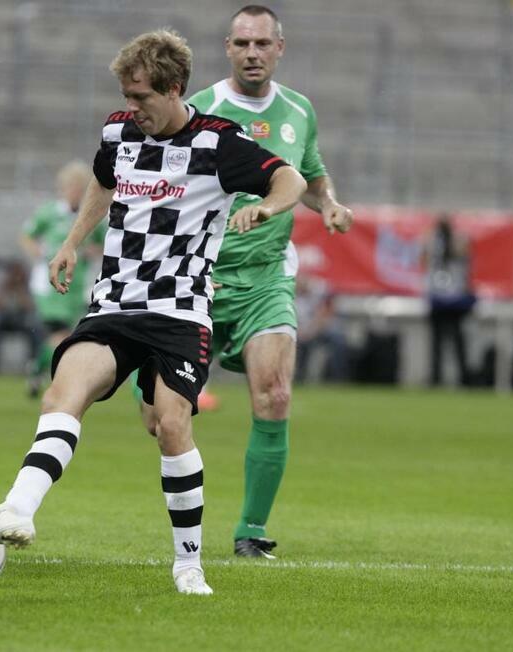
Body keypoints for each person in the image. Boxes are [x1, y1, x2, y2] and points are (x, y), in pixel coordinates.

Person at [0, 28, 307, 595]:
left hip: (180, 312)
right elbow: (103, 180)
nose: (130, 108)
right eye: (127, 95)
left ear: (174, 89)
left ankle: (188, 563)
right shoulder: (118, 131)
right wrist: (70, 241)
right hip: (113, 304)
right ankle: (16, 511)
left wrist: (264, 206)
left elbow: (290, 177)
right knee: (62, 394)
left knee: (170, 424)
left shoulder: (217, 142)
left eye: (141, 98)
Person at [176, 5, 353, 559]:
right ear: (227, 48)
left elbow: (311, 170)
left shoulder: (300, 109)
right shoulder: (199, 109)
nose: (252, 53)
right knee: (162, 420)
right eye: (242, 44)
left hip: (266, 277)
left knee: (274, 396)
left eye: (262, 44)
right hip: (199, 277)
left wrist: (327, 202)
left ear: (280, 48)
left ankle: (251, 532)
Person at [20, 160, 105, 397]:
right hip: (50, 283)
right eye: (72, 187)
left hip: (78, 283)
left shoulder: (91, 215)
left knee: (64, 333)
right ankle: (54, 377)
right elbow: (27, 236)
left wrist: (93, 250)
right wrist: (38, 253)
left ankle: (37, 368)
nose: (75, 192)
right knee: (61, 333)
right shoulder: (49, 212)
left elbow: (103, 241)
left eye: (80, 188)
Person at [423, 213, 475, 387]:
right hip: (437, 298)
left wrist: (449, 241)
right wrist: (435, 240)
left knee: (458, 341)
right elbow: (424, 256)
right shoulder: (433, 243)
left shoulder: (458, 241)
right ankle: (435, 378)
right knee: (436, 342)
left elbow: (463, 252)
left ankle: (464, 378)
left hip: (455, 300)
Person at [0, 261, 43, 374]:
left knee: (35, 331)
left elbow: (30, 307)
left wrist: (20, 290)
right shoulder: (3, 286)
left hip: (21, 319)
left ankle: (32, 364)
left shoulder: (28, 287)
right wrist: (6, 289)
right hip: (4, 319)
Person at [294, 276, 349, 383]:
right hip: (300, 332)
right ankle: (300, 377)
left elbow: (325, 315)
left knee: (338, 340)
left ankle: (338, 378)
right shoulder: (292, 296)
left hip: (320, 329)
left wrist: (311, 331)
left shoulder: (320, 290)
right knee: (299, 343)